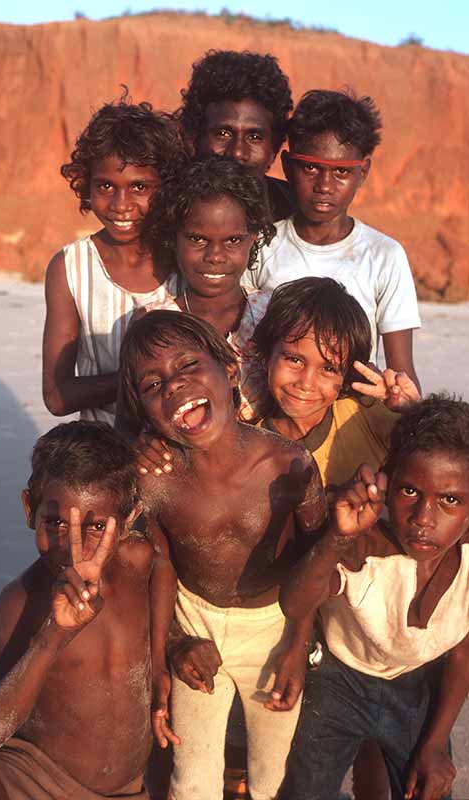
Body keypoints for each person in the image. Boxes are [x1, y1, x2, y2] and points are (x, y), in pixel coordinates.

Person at [118, 310, 328, 800]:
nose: (173, 385)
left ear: (231, 371)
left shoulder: (289, 464)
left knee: (273, 778)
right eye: (153, 385)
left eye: (189, 364)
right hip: (196, 626)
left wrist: (299, 643)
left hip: (273, 631)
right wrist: (169, 647)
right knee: (192, 782)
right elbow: (160, 565)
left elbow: (315, 561)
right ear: (145, 413)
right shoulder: (154, 480)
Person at [0, 421, 155, 799]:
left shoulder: (139, 565)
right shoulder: (21, 600)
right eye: (55, 522)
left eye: (96, 527)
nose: (73, 547)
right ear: (29, 508)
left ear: (129, 520)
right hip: (28, 772)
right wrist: (53, 634)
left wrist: (184, 645)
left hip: (125, 790)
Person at [278, 395, 469, 800]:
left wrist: (435, 743)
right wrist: (336, 537)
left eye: (450, 500)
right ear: (386, 481)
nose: (423, 518)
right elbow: (295, 604)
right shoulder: (365, 542)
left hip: (415, 683)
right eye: (409, 491)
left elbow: (462, 654)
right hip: (338, 679)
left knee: (431, 783)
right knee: (304, 790)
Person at [243, 89, 421, 385]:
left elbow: (401, 373)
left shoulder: (383, 256)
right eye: (310, 167)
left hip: (352, 413)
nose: (324, 185)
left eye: (341, 171)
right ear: (288, 166)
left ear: (362, 171)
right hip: (273, 408)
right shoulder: (263, 244)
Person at [42, 97, 183, 425]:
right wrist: (143, 381)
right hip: (104, 453)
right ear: (86, 184)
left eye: (139, 187)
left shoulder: (188, 257)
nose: (121, 204)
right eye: (106, 185)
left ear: (165, 188)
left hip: (182, 453)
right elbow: (56, 396)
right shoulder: (71, 268)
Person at [252, 277, 421, 491]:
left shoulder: (365, 413)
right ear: (266, 358)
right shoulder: (252, 448)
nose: (306, 383)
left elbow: (448, 459)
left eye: (329, 369)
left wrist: (415, 412)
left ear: (346, 376)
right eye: (294, 360)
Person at [141, 154, 275, 422]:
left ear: (254, 238)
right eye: (198, 239)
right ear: (173, 237)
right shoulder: (157, 324)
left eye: (233, 240)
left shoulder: (272, 312)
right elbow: (134, 418)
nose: (215, 256)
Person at [177, 50, 295, 221]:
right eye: (223, 134)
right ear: (195, 139)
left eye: (254, 137)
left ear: (274, 149)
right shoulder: (168, 209)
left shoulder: (295, 212)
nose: (238, 152)